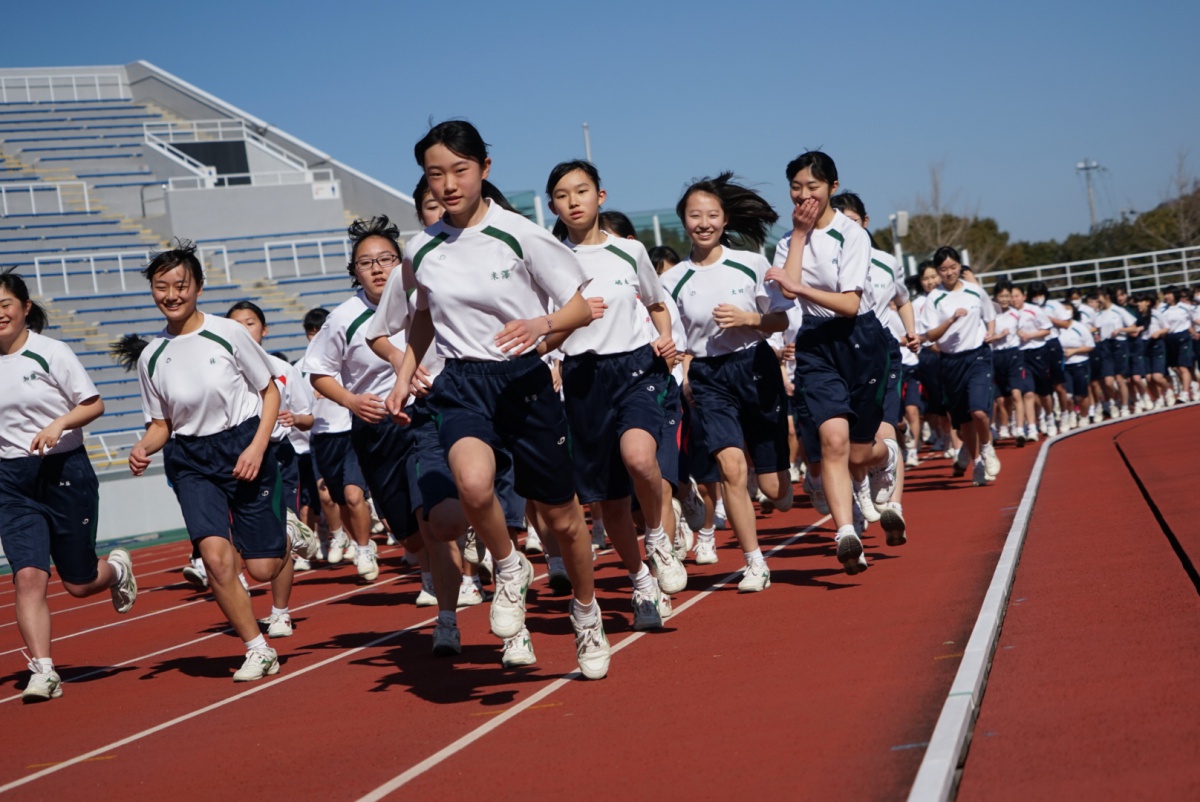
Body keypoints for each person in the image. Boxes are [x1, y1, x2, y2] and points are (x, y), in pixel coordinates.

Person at [381, 120, 609, 678]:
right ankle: (509, 567)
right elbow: (423, 320)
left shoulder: (520, 233)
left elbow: (581, 306)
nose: (449, 184)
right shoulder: (421, 250)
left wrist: (542, 323)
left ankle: (587, 613)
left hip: (523, 380)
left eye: (460, 170)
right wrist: (403, 374)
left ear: (485, 168)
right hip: (461, 383)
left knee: (562, 519)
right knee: (474, 485)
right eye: (436, 174)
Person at [129, 243, 292, 682]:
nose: (171, 294)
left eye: (180, 285)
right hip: (191, 460)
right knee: (218, 560)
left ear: (198, 287)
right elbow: (161, 423)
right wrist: (145, 446)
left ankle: (286, 535)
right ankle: (257, 648)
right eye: (161, 287)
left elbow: (269, 392)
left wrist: (257, 447)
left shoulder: (228, 332)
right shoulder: (151, 356)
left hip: (243, 445)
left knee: (260, 568)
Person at [543, 159, 683, 627]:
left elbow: (657, 302)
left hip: (636, 367)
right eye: (562, 196)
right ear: (552, 207)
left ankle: (660, 538)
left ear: (600, 197)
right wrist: (555, 353)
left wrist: (665, 338)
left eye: (581, 191)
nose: (573, 201)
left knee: (641, 458)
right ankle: (640, 579)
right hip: (583, 378)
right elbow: (543, 328)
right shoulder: (546, 260)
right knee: (612, 503)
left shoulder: (630, 251)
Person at [0, 271, 137, 702]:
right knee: (26, 576)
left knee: (78, 583)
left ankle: (115, 570)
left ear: (24, 308)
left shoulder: (50, 352)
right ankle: (43, 669)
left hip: (63, 472)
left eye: (5, 304)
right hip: (10, 481)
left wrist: (58, 424)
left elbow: (93, 403)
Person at [660, 172, 794, 589]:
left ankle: (773, 478)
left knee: (777, 493)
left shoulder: (751, 262)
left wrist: (749, 319)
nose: (704, 223)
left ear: (725, 220)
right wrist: (672, 358)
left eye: (712, 215)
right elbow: (674, 337)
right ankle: (754, 562)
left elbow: (780, 319)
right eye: (695, 215)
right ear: (683, 220)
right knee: (731, 467)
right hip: (708, 376)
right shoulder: (672, 279)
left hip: (755, 366)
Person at [765, 153, 894, 573]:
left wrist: (798, 286)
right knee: (832, 440)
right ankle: (846, 532)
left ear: (832, 188)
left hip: (860, 339)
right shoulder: (788, 241)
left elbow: (850, 304)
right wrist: (799, 238)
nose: (804, 196)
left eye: (813, 188)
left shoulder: (852, 235)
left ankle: (885, 457)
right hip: (816, 343)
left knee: (859, 453)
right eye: (796, 188)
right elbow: (783, 301)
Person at [225, 302, 320, 620]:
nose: (244, 330)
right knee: (234, 537)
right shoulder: (222, 369)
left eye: (250, 323)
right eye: (236, 324)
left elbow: (308, 418)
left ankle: (281, 612)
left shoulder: (282, 369)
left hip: (277, 457)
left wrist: (294, 418)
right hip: (232, 458)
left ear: (264, 329)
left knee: (278, 534)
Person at [917, 246, 1000, 486]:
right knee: (964, 422)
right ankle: (976, 462)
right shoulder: (935, 298)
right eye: (944, 269)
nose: (949, 273)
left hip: (978, 356)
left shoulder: (975, 291)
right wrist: (951, 319)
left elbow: (989, 314)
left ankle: (987, 450)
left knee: (979, 411)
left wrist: (991, 332)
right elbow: (930, 335)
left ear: (960, 267)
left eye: (953, 267)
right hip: (951, 362)